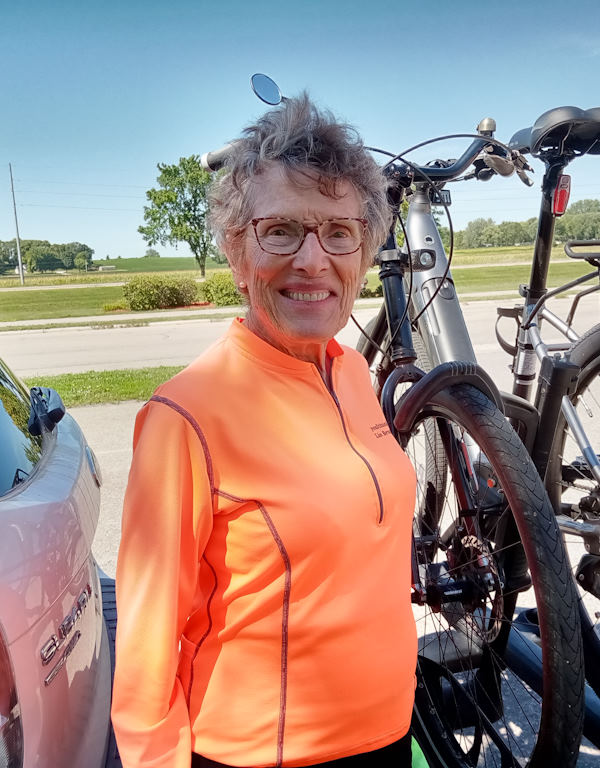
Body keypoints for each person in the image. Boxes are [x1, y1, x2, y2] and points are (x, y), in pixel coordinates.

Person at [111, 95, 418, 768]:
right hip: (266, 755)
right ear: (236, 249)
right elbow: (145, 648)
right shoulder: (186, 416)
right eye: (281, 230)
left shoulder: (353, 373)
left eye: (339, 232)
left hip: (391, 735)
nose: (313, 260)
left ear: (364, 251)